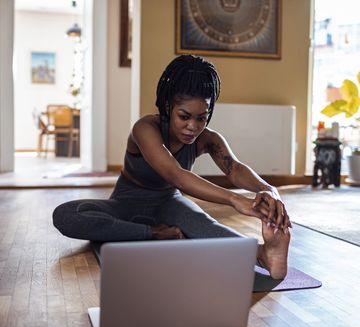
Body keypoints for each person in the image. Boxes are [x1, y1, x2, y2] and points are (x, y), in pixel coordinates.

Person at [53, 55, 291, 279]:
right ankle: (154, 233)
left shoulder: (208, 139)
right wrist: (235, 200)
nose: (193, 126)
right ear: (167, 107)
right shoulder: (145, 129)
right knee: (66, 215)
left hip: (169, 205)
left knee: (206, 225)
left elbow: (234, 168)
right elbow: (176, 174)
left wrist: (268, 188)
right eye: (184, 116)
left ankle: (263, 254)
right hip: (125, 204)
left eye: (201, 118)